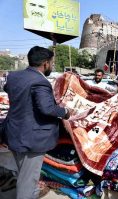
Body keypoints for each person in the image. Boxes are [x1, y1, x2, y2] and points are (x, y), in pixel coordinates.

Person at [2, 46, 70, 199]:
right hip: (32, 139)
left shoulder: (14, 76)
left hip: (14, 133)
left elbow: (10, 90)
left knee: (24, 174)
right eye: (52, 63)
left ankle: (31, 194)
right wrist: (65, 112)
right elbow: (47, 109)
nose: (52, 66)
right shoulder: (40, 81)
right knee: (28, 180)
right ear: (45, 63)